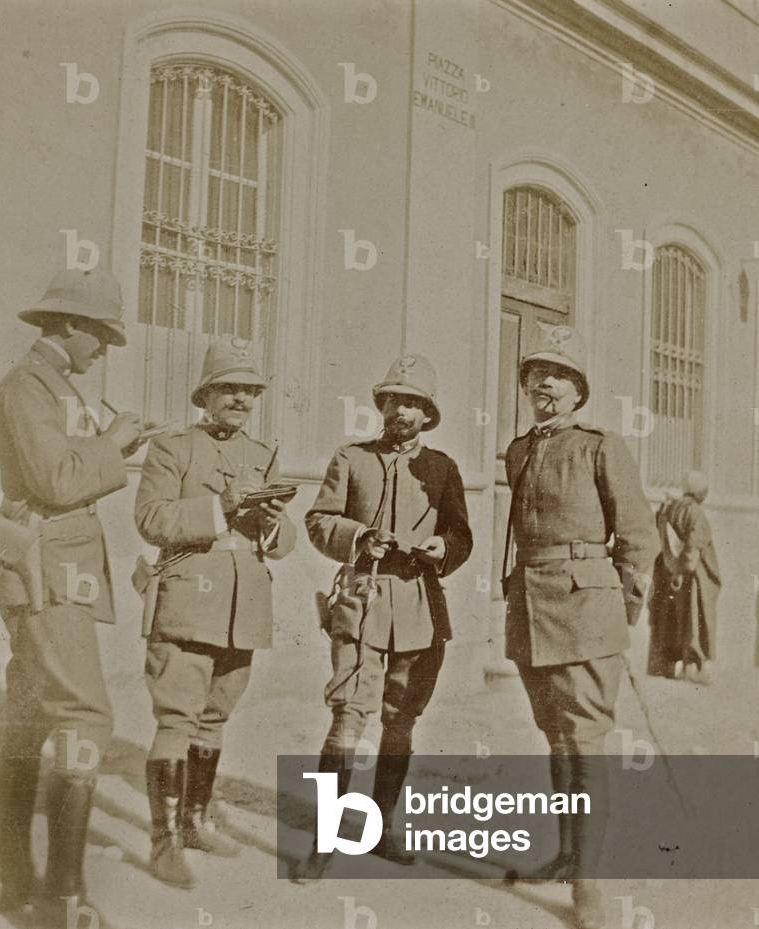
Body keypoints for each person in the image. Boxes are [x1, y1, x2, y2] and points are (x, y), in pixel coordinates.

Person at [0, 268, 143, 927]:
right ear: (70, 325)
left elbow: (63, 466)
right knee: (84, 715)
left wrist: (108, 443)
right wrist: (114, 444)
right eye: (100, 334)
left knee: (31, 712)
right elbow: (55, 480)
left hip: (52, 566)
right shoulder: (28, 385)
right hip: (47, 568)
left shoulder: (52, 384)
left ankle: (13, 875)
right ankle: (62, 898)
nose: (103, 348)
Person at [293, 353, 473, 883]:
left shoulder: (442, 468)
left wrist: (445, 548)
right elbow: (319, 520)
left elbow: (461, 535)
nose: (400, 411)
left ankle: (382, 828)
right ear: (381, 406)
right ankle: (325, 839)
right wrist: (359, 537)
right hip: (362, 602)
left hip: (419, 604)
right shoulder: (351, 458)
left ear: (427, 414)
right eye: (392, 400)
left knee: (401, 719)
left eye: (412, 403)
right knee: (349, 715)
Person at [502, 325, 658, 929]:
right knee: (558, 738)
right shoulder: (519, 449)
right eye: (535, 374)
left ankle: (589, 884)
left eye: (558, 375)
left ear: (577, 391)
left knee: (585, 743)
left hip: (586, 608)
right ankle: (568, 855)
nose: (544, 383)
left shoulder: (601, 446)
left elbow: (638, 537)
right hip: (531, 607)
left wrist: (620, 612)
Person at [135, 335, 296, 889]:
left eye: (250, 391)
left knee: (215, 717)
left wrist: (273, 522)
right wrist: (222, 506)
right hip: (188, 602)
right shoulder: (173, 449)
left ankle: (196, 822)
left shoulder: (262, 454)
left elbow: (281, 544)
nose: (241, 399)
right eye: (229, 389)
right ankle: (165, 844)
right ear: (205, 395)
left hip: (242, 607)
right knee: (176, 719)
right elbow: (151, 519)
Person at [647, 471, 720, 683]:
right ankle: (694, 667)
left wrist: (673, 569)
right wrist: (682, 571)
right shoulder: (695, 512)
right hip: (691, 576)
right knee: (694, 620)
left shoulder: (669, 508)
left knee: (668, 618)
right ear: (700, 492)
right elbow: (693, 547)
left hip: (667, 571)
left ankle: (667, 665)